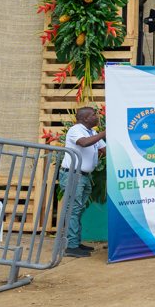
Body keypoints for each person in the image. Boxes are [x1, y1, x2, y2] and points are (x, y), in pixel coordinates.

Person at [60, 106, 106, 258]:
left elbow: (105, 150)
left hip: (84, 176)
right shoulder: (76, 130)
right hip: (73, 175)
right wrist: (105, 133)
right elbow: (84, 143)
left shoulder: (92, 132)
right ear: (86, 118)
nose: (97, 117)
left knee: (78, 209)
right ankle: (71, 247)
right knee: (73, 209)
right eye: (94, 115)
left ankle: (76, 242)